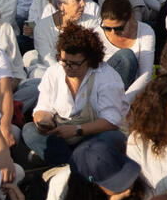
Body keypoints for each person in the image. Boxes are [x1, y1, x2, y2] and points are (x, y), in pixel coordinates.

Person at [25, 24, 123, 168]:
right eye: (64, 61)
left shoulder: (106, 77)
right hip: (61, 134)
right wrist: (44, 122)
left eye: (75, 64)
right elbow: (43, 108)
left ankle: (65, 166)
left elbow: (111, 121)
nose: (68, 67)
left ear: (89, 60)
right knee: (29, 131)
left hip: (92, 135)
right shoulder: (54, 72)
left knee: (113, 138)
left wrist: (77, 129)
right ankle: (73, 166)